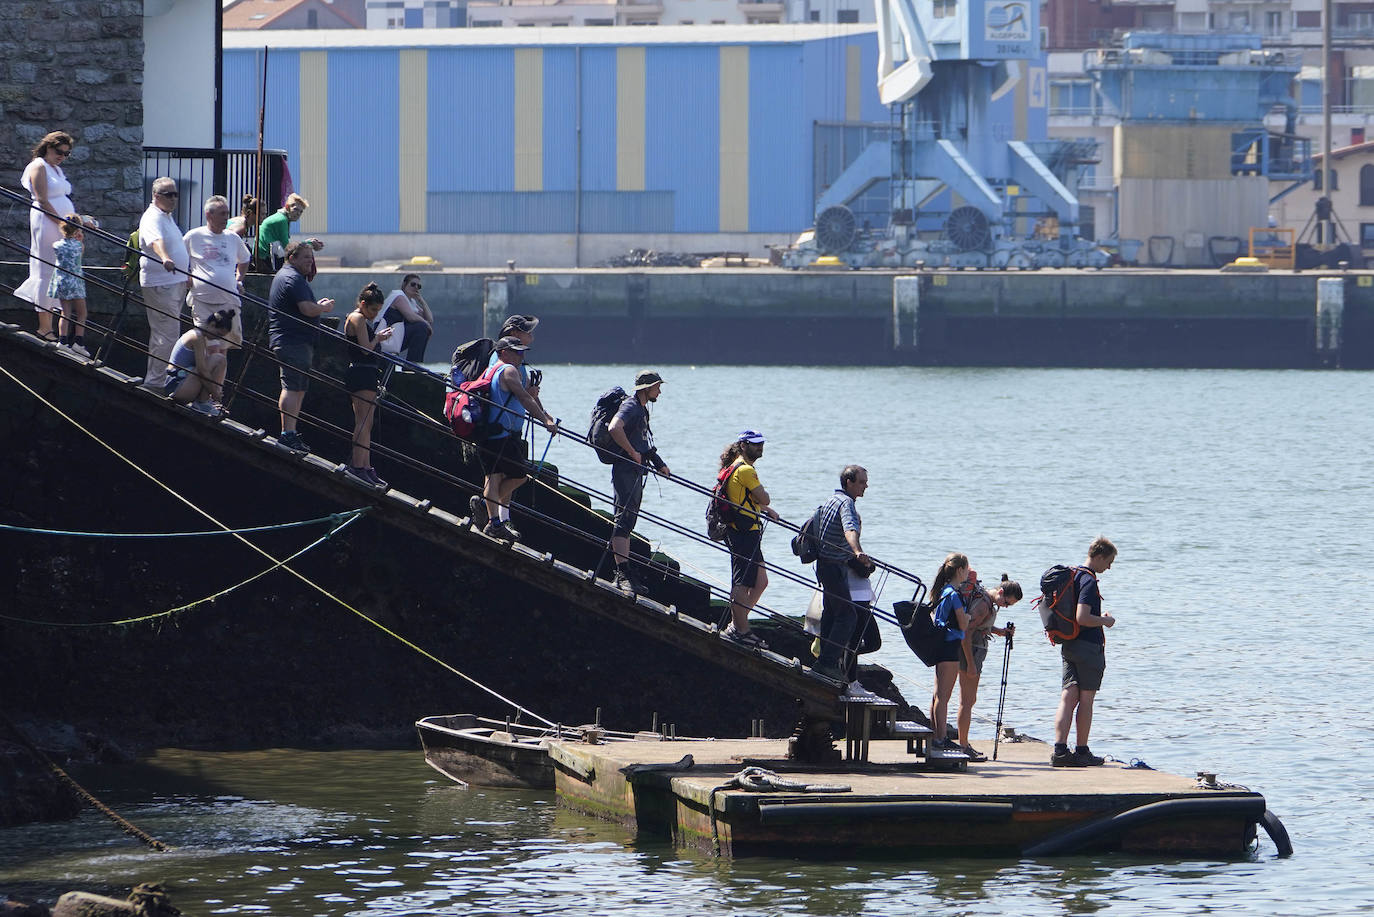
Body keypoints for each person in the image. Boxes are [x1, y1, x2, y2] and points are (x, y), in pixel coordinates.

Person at [469, 336, 557, 541]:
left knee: (495, 475)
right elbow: (525, 399)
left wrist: (533, 398)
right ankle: (487, 509)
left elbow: (517, 394)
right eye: (517, 352)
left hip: (491, 432)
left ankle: (492, 518)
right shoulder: (508, 370)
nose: (521, 356)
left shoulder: (492, 370)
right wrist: (545, 420)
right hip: (501, 435)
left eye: (522, 351)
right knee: (519, 476)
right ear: (503, 352)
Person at [1051, 537, 1118, 768]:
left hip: (1069, 645)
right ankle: (1081, 750)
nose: (1108, 567)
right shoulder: (1089, 580)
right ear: (1099, 556)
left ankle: (1060, 750)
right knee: (1086, 699)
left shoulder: (1073, 575)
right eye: (1109, 562)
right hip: (1088, 647)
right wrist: (1106, 621)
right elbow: (1082, 617)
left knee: (1068, 696)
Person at [605, 371, 672, 592]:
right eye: (657, 387)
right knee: (623, 519)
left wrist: (659, 463)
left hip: (634, 472)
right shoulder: (631, 406)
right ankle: (621, 574)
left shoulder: (641, 409)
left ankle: (626, 572)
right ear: (647, 388)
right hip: (625, 470)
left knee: (629, 519)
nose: (660, 391)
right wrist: (631, 452)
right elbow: (614, 427)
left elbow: (645, 442)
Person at [267, 241, 335, 453]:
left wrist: (318, 307)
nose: (310, 261)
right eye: (306, 256)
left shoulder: (291, 277)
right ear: (292, 257)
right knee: (292, 386)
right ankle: (287, 434)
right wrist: (322, 308)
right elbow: (306, 309)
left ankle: (291, 432)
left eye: (311, 257)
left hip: (296, 341)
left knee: (298, 387)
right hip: (291, 341)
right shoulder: (292, 278)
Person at [717, 431, 781, 648]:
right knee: (742, 581)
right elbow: (764, 496)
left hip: (748, 530)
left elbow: (749, 498)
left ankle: (738, 623)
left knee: (761, 581)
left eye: (761, 444)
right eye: (754, 444)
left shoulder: (736, 467)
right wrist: (764, 502)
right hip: (743, 531)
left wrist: (764, 508)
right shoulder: (744, 469)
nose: (759, 448)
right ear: (743, 446)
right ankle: (740, 630)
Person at [808, 465, 871, 685]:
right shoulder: (846, 504)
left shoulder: (830, 500)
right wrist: (857, 551)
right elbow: (850, 529)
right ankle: (826, 663)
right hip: (834, 566)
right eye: (862, 482)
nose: (866, 486)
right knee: (848, 616)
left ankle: (824, 663)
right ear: (849, 482)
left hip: (825, 565)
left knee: (832, 614)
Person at [16, 131, 77, 342]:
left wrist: (75, 222)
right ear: (48, 147)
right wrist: (62, 223)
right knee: (45, 270)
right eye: (59, 151)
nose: (61, 156)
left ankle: (54, 325)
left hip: (62, 223)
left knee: (58, 271)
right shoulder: (38, 165)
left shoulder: (56, 169)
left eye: (66, 154)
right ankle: (44, 326)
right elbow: (42, 199)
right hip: (46, 221)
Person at [956, 572, 1023, 761]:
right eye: (1007, 603)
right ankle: (963, 745)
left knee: (968, 701)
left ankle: (963, 743)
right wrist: (970, 664)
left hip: (973, 651)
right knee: (967, 701)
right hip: (972, 652)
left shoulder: (985, 599)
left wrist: (999, 631)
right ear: (1001, 592)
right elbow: (967, 632)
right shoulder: (985, 605)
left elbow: (976, 625)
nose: (1006, 606)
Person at [138, 177, 190, 387]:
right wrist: (165, 258)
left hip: (173, 282)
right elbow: (155, 241)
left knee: (168, 332)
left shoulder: (165, 216)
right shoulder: (152, 217)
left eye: (176, 194)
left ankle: (160, 379)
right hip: (161, 282)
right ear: (156, 196)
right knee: (166, 333)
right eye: (169, 195)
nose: (174, 199)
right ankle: (156, 382)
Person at [342, 283, 395, 488]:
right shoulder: (357, 318)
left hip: (367, 373)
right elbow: (365, 349)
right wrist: (379, 338)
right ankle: (357, 466)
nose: (374, 314)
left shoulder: (363, 319)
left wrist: (378, 337)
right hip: (360, 371)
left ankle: (365, 466)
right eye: (373, 309)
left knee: (367, 423)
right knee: (362, 422)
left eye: (378, 311)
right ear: (363, 304)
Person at [183, 195, 250, 349]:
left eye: (227, 213)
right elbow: (179, 257)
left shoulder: (233, 238)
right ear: (209, 215)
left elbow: (245, 259)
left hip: (228, 300)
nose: (226, 218)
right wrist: (185, 276)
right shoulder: (194, 236)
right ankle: (205, 372)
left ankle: (218, 373)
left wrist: (239, 279)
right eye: (222, 214)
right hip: (202, 301)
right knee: (209, 346)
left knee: (224, 348)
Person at [927, 552, 972, 751]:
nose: (969, 572)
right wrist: (969, 617)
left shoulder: (943, 591)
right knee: (944, 696)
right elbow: (963, 624)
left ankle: (936, 734)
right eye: (967, 569)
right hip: (950, 647)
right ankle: (941, 738)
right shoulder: (954, 594)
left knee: (938, 695)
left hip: (940, 645)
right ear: (960, 570)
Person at [162, 308, 235, 415]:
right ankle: (203, 402)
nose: (217, 338)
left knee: (217, 360)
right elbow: (202, 371)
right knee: (219, 359)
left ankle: (204, 401)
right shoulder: (197, 337)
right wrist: (215, 393)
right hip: (177, 386)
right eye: (218, 334)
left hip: (178, 384)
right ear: (212, 324)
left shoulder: (198, 336)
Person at [47, 214, 90, 357]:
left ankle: (63, 341)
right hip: (75, 283)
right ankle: (79, 341)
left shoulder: (56, 246)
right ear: (78, 230)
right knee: (82, 313)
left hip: (62, 282)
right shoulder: (79, 246)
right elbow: (79, 257)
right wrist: (80, 239)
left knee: (65, 313)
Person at [256, 193, 321, 272]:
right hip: (264, 261)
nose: (298, 214)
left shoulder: (282, 218)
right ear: (287, 207)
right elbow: (288, 248)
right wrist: (308, 244)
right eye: (295, 209)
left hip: (264, 258)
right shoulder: (282, 220)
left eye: (301, 212)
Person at [380, 274, 435, 363]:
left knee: (422, 327)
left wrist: (422, 301)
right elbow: (411, 317)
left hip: (396, 337)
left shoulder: (411, 302)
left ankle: (414, 363)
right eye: (413, 284)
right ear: (404, 284)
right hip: (385, 337)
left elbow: (429, 319)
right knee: (421, 327)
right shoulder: (398, 296)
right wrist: (426, 324)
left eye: (419, 286)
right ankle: (413, 363)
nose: (416, 287)